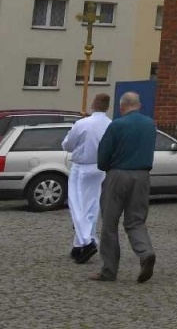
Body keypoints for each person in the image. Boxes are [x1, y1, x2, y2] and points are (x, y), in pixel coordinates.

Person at [90, 91, 156, 284]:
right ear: (139, 105)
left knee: (110, 223)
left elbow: (103, 156)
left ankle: (109, 270)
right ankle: (146, 253)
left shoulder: (116, 125)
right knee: (136, 221)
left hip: (118, 175)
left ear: (122, 107)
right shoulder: (150, 125)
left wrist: (106, 167)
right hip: (142, 176)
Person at [60, 93, 111, 264]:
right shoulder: (111, 124)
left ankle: (87, 242)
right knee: (91, 205)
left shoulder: (82, 123)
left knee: (77, 205)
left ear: (93, 104)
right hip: (99, 167)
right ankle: (78, 245)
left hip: (81, 167)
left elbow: (67, 144)